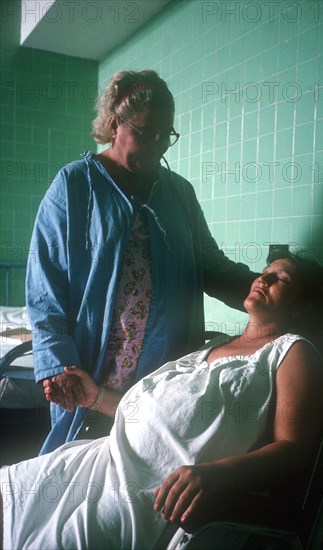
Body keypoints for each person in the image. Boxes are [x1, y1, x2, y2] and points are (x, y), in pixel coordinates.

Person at [1, 253, 323, 549]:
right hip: (101, 459)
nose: (264, 279)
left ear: (302, 305)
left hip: (148, 492)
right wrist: (96, 397)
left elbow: (293, 449)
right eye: (265, 271)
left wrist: (215, 475)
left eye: (281, 279)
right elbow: (160, 412)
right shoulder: (215, 345)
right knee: (8, 494)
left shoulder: (292, 352)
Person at [26, 70, 258, 454]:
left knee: (151, 476)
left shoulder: (179, 193)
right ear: (116, 124)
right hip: (90, 374)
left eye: (164, 135)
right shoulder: (74, 185)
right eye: (145, 132)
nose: (156, 146)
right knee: (84, 481)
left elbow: (212, 267)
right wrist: (56, 364)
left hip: (162, 376)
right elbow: (45, 292)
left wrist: (274, 290)